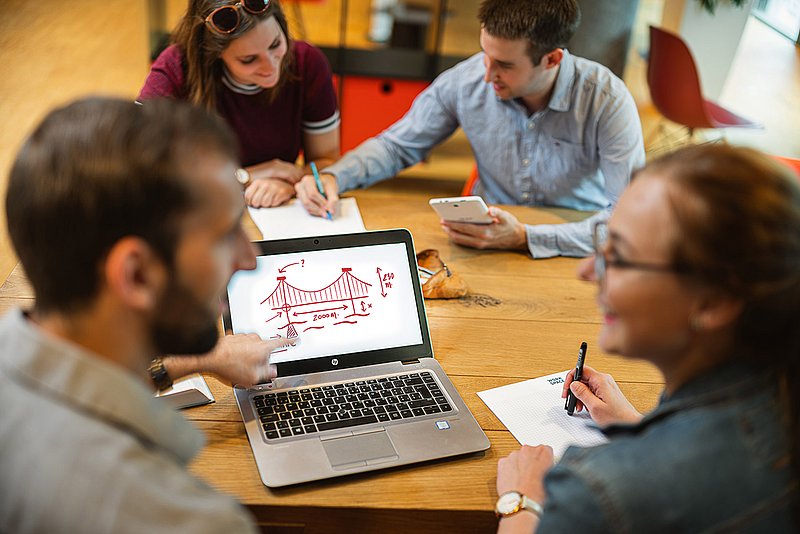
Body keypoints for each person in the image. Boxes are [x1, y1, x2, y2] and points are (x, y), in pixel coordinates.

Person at [0, 97, 293, 532]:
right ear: (136, 275)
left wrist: (198, 361)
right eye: (226, 233)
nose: (250, 258)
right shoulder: (188, 521)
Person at [494, 144, 800, 533]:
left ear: (714, 302)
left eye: (618, 257)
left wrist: (521, 501)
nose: (587, 270)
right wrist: (634, 424)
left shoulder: (598, 494)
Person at [296, 0, 644, 259]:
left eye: (505, 65)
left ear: (552, 59)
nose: (486, 75)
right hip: (482, 239)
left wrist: (525, 236)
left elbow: (630, 221)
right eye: (484, 55)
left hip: (577, 244)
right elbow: (397, 146)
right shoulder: (467, 79)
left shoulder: (606, 100)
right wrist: (333, 178)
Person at [139, 0, 340, 209]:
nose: (270, 66)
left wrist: (291, 185)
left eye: (275, 44)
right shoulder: (176, 67)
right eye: (249, 59)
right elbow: (138, 168)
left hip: (273, 210)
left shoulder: (307, 63)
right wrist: (244, 177)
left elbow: (325, 161)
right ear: (213, 51)